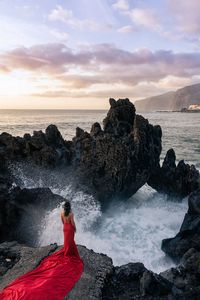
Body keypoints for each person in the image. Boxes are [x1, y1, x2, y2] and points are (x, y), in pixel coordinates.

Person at [0, 200, 84, 299]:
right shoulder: (71, 216)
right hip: (69, 237)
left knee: (69, 248)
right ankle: (67, 222)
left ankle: (67, 222)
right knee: (69, 248)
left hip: (68, 234)